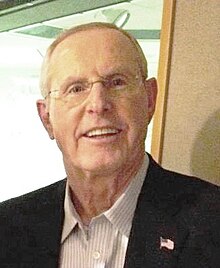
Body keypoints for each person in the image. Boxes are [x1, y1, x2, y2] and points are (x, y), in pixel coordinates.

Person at [0, 22, 219, 268]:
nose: (98, 103)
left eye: (117, 82)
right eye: (76, 88)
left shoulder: (212, 223)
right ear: (46, 118)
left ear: (149, 99)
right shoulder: (8, 229)